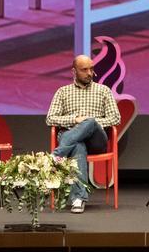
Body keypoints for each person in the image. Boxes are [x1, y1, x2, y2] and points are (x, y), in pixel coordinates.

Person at [46, 55, 121, 213]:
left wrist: (88, 123)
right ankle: (78, 199)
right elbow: (50, 118)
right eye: (84, 69)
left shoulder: (103, 91)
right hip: (72, 140)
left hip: (96, 140)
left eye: (91, 69)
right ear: (74, 71)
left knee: (90, 121)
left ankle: (55, 156)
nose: (89, 73)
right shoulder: (63, 92)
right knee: (78, 147)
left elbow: (115, 118)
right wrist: (75, 119)